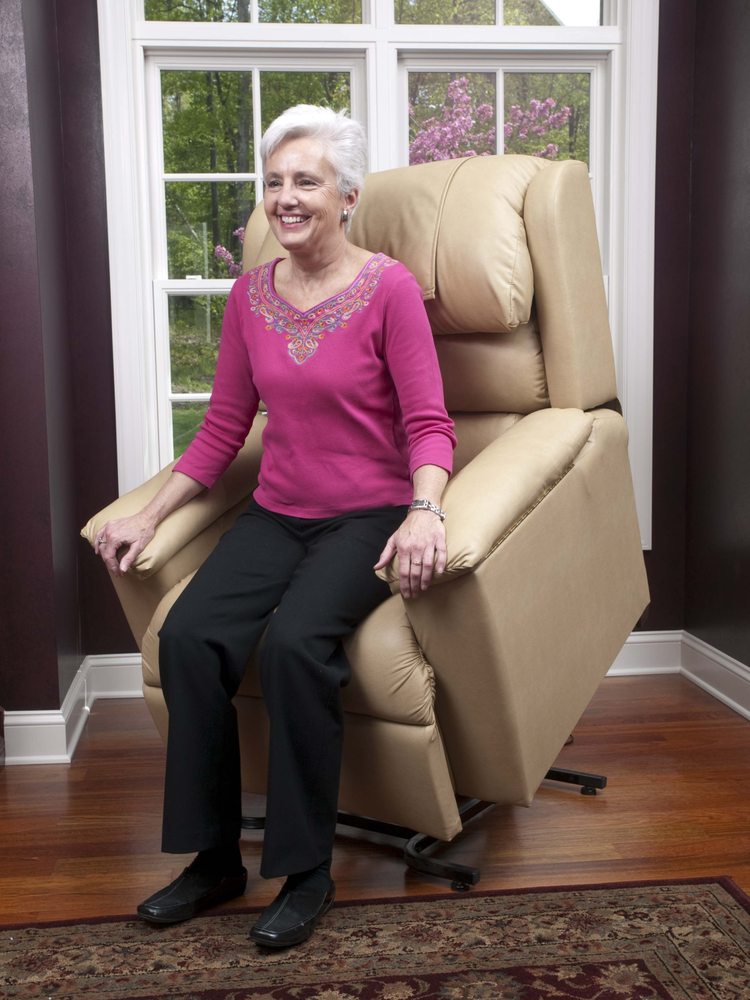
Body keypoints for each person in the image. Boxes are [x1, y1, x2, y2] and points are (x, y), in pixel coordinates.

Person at [94, 104, 456, 949]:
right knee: (187, 638)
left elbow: (430, 423)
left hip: (366, 517)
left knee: (296, 647)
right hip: (276, 514)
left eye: (306, 181)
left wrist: (424, 510)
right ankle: (214, 860)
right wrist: (147, 515)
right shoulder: (250, 296)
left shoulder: (390, 289)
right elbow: (225, 427)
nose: (285, 197)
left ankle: (305, 871)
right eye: (274, 182)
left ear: (347, 197)